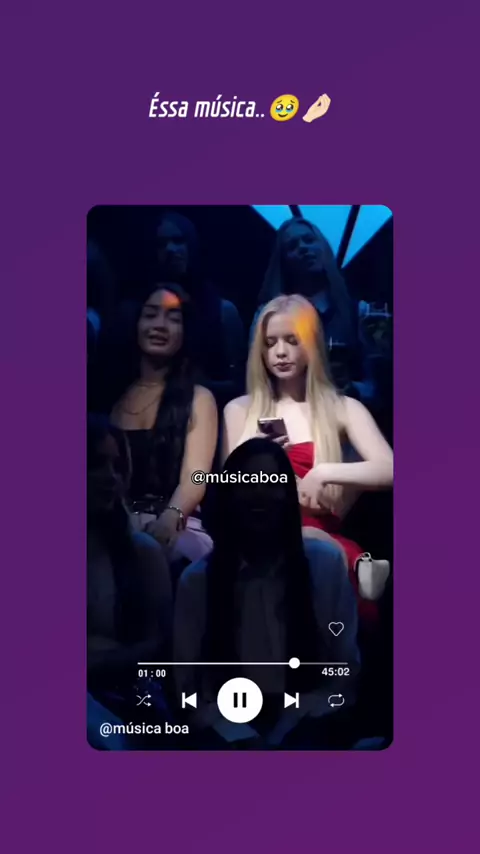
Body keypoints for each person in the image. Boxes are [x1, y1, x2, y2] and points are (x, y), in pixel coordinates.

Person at [174, 437, 360, 749]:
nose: (259, 492)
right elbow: (187, 689)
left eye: (271, 483)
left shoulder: (324, 565)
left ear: (287, 496)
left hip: (311, 722)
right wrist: (240, 737)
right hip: (227, 731)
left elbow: (345, 672)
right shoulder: (197, 582)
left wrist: (297, 724)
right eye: (248, 483)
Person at [224, 294, 393, 606]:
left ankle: (352, 563)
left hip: (317, 531)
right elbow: (229, 488)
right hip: (257, 531)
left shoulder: (342, 407)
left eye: (292, 340)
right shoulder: (240, 409)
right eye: (270, 343)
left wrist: (323, 473)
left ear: (312, 343)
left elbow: (390, 469)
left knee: (315, 546)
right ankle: (356, 562)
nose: (280, 352)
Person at [109, 282, 218, 568]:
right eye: (150, 314)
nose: (159, 325)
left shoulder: (198, 398)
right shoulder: (111, 396)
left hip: (179, 523)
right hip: (115, 520)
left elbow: (195, 477)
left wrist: (170, 518)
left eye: (173, 318)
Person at [250, 216, 388, 406]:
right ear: (283, 262)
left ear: (324, 247)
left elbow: (376, 384)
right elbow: (257, 382)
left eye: (309, 240)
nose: (303, 248)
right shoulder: (267, 317)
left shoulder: (358, 312)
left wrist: (353, 389)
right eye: (292, 246)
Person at [87, 415, 173, 701]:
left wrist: (100, 662)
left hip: (122, 699)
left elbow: (160, 648)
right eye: (95, 464)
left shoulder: (142, 553)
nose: (111, 477)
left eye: (117, 466)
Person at [155, 210, 246, 407]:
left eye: (178, 240)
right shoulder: (138, 311)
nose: (170, 249)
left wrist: (198, 385)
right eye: (161, 244)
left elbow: (240, 384)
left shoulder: (222, 311)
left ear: (191, 244)